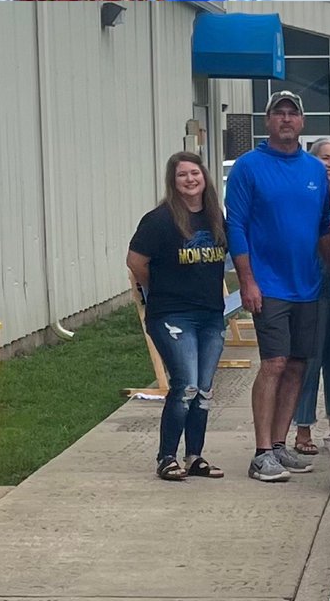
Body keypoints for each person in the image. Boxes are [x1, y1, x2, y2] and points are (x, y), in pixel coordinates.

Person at [225, 90, 330, 483]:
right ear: (268, 121)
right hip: (268, 285)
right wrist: (247, 281)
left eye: (293, 113)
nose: (286, 119)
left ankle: (280, 444)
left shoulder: (315, 171)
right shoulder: (248, 167)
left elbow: (323, 228)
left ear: (302, 122)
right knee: (274, 363)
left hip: (308, 284)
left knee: (298, 365)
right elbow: (235, 226)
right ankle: (260, 452)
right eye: (279, 113)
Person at [126, 153, 228, 482]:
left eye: (194, 173)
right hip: (172, 315)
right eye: (182, 174)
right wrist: (158, 288)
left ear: (204, 178)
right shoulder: (159, 220)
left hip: (210, 315)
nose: (189, 179)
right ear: (173, 181)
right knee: (185, 385)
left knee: (204, 390)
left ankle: (194, 455)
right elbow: (135, 261)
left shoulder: (215, 218)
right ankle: (166, 457)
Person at [293, 138, 330, 456]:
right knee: (310, 358)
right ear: (312, 159)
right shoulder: (306, 190)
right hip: (312, 281)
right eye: (324, 157)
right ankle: (302, 430)